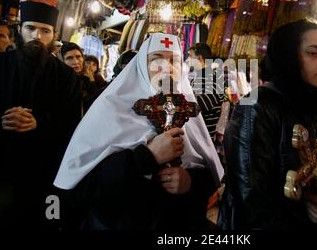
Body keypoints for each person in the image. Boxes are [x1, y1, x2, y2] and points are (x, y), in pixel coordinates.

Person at [54, 33, 224, 230]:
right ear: (142, 64)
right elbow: (79, 188)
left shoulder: (187, 110)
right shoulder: (110, 108)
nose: (166, 68)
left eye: (174, 60)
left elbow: (209, 173)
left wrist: (190, 182)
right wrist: (146, 157)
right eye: (156, 59)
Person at [217, 19, 317, 230]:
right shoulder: (256, 108)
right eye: (313, 53)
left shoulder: (306, 108)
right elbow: (252, 205)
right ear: (289, 57)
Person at [0, 1, 82, 228]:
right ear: (20, 31)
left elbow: (72, 123)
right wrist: (0, 120)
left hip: (41, 171)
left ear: (54, 35)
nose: (37, 35)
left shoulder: (66, 77)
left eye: (45, 31)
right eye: (31, 28)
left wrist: (40, 122)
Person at [186, 43, 225, 141]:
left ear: (199, 58)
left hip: (203, 140)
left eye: (190, 56)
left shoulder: (213, 80)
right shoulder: (196, 77)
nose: (187, 60)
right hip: (194, 137)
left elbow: (196, 106)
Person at [61, 42, 101, 114]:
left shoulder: (86, 79)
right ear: (62, 61)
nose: (76, 62)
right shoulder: (59, 81)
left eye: (78, 57)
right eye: (69, 58)